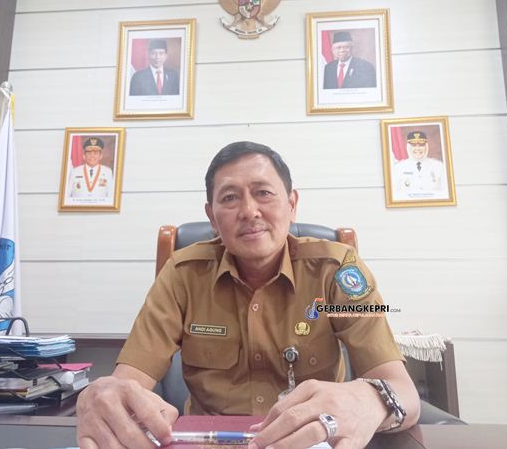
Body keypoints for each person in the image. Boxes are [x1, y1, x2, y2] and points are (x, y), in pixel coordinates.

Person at [76, 141, 420, 449]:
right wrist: (106, 398)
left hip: (310, 442)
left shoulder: (337, 270)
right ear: (212, 217)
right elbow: (126, 385)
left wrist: (370, 400)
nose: (249, 211)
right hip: (208, 443)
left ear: (292, 204)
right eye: (229, 197)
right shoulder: (182, 274)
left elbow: (403, 391)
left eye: (263, 193)